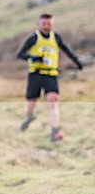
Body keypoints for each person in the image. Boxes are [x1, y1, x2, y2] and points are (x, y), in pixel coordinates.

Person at [16, 13, 83, 142]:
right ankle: (29, 116)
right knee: (31, 102)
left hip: (51, 74)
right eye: (44, 24)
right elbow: (20, 54)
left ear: (52, 24)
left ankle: (54, 132)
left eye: (49, 24)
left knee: (52, 103)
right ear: (38, 24)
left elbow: (66, 49)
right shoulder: (33, 38)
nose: (46, 26)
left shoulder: (56, 37)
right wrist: (33, 58)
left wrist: (77, 61)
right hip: (35, 74)